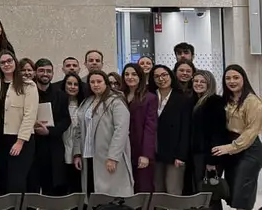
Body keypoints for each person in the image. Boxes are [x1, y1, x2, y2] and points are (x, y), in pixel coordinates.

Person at [72, 70, 133, 196]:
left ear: (106, 83)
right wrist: (77, 153)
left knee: (111, 194)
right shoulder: (86, 102)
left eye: (99, 81)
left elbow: (121, 130)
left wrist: (113, 157)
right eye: (92, 82)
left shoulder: (116, 101)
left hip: (108, 156)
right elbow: (78, 130)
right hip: (88, 156)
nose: (95, 84)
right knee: (91, 193)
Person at [0, 51, 37, 194]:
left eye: (9, 61)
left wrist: (20, 141)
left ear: (15, 63)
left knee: (16, 182)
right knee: (1, 180)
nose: (6, 64)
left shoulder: (28, 85)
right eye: (3, 62)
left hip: (20, 140)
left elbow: (29, 115)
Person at [211, 65, 262, 210]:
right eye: (228, 78)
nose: (231, 81)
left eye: (236, 77)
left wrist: (230, 147)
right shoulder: (226, 100)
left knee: (243, 192)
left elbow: (251, 132)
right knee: (233, 190)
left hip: (249, 149)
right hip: (231, 150)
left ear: (243, 79)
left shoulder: (252, 102)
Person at [29, 58, 71, 195]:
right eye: (41, 71)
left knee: (53, 186)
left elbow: (66, 120)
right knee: (31, 184)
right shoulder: (27, 92)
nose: (45, 74)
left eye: (48, 71)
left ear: (53, 74)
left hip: (53, 145)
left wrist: (49, 131)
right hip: (32, 144)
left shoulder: (61, 95)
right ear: (35, 73)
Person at [189, 70, 226, 209]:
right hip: (198, 154)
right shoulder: (196, 101)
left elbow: (218, 133)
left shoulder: (215, 102)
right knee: (202, 192)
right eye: (196, 81)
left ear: (209, 84)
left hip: (209, 156)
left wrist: (212, 161)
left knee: (210, 193)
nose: (198, 84)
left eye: (202, 81)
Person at [150, 64, 190, 195]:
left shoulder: (182, 99)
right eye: (156, 76)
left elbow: (186, 129)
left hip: (175, 154)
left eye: (164, 75)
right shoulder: (150, 97)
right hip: (155, 152)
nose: (161, 79)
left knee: (173, 190)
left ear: (171, 76)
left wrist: (181, 155)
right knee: (158, 190)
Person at [121, 62, 156, 193]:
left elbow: (150, 127)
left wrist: (146, 154)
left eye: (134, 74)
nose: (130, 77)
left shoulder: (149, 98)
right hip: (123, 147)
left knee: (143, 187)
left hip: (140, 147)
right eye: (126, 74)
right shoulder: (119, 96)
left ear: (140, 76)